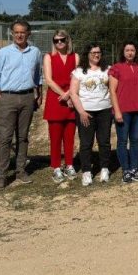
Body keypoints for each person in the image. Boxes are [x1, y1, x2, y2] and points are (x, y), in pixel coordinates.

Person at [0, 20, 42, 189]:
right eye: (16, 32)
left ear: (28, 34)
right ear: (12, 33)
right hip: (8, 98)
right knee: (5, 138)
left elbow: (38, 76)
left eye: (23, 32)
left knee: (23, 137)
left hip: (27, 97)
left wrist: (38, 95)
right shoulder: (3, 53)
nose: (19, 35)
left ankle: (20, 171)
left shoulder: (35, 52)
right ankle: (2, 175)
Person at [70, 43, 112, 186]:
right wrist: (81, 112)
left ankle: (105, 168)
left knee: (104, 141)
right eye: (93, 52)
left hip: (105, 111)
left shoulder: (108, 70)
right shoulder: (79, 72)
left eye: (98, 52)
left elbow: (113, 89)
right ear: (87, 54)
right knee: (86, 143)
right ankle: (87, 171)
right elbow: (73, 93)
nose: (96, 55)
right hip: (85, 112)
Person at [109, 41, 138, 183]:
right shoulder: (116, 68)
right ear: (123, 52)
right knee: (122, 141)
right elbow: (112, 91)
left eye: (132, 50)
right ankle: (125, 170)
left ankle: (134, 168)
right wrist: (117, 111)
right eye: (127, 50)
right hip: (123, 110)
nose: (130, 52)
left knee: (135, 140)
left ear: (136, 52)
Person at [42, 30, 79, 183]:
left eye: (62, 40)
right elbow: (49, 80)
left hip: (71, 98)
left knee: (69, 136)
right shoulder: (48, 57)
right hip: (56, 99)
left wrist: (70, 94)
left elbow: (77, 78)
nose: (59, 43)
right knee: (55, 137)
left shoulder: (75, 57)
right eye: (56, 40)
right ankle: (56, 167)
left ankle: (69, 164)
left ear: (67, 40)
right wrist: (64, 95)